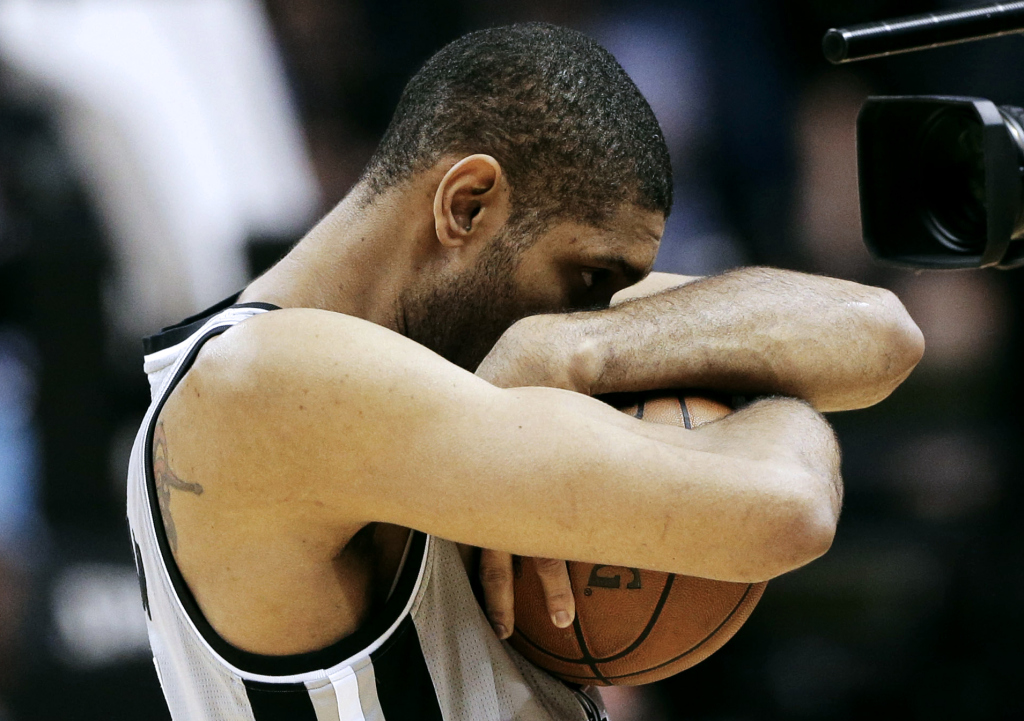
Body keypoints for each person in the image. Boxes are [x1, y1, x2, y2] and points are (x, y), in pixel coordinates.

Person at [126, 23, 923, 721]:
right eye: (589, 280)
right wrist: (777, 399)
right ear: (467, 206)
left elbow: (879, 332)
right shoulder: (268, 384)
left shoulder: (492, 334)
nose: (598, 309)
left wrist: (581, 347)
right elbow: (789, 509)